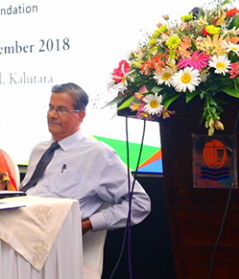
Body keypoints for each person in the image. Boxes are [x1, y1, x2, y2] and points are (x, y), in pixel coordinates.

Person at [22, 83, 151, 233]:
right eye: (51, 108)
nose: (52, 115)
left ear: (81, 116)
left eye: (61, 110)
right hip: (20, 223)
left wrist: (90, 224)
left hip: (53, 233)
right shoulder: (39, 150)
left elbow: (139, 203)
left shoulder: (98, 154)